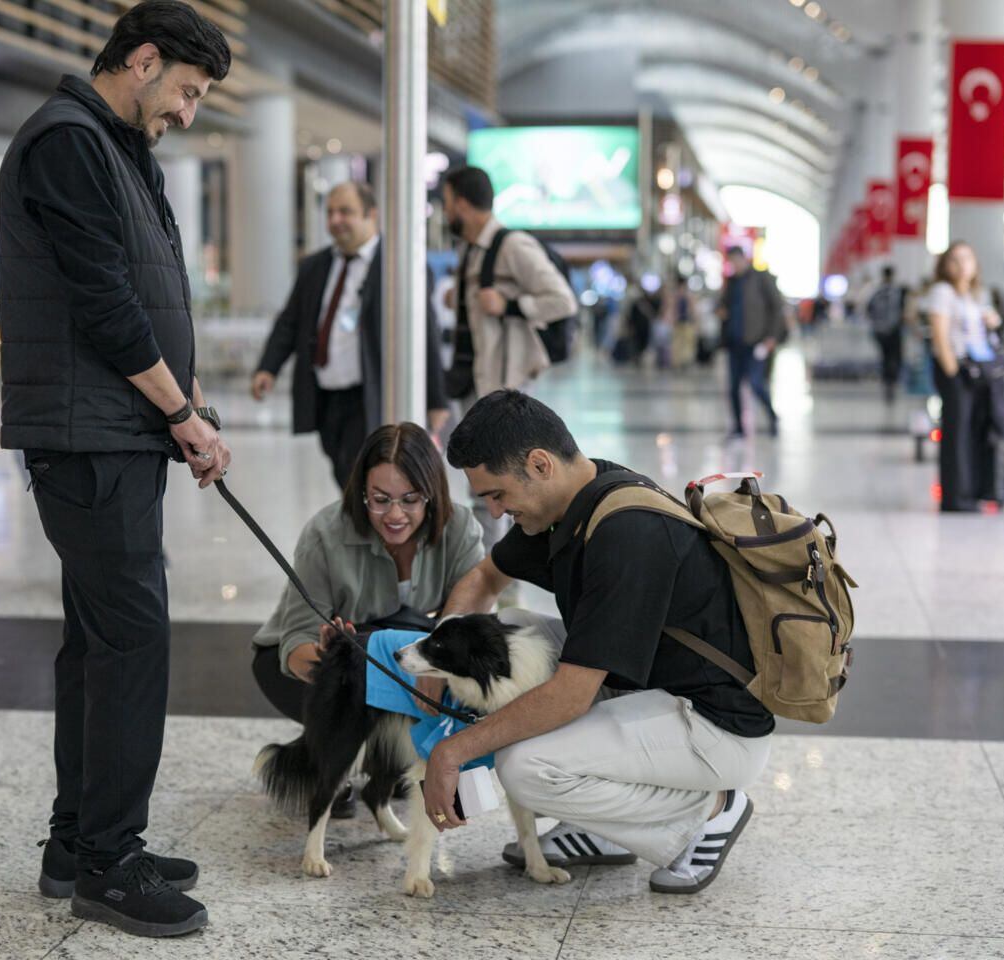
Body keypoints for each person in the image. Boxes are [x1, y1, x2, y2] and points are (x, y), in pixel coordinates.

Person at [0, 1, 231, 938]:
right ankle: (110, 862)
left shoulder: (114, 146)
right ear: (139, 61)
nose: (188, 111)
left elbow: (152, 290)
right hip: (89, 434)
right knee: (132, 642)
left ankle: (77, 841)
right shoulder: (68, 142)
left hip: (116, 430)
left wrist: (190, 406)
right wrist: (177, 410)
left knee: (100, 642)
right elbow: (104, 301)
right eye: (185, 89)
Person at [419, 391, 772, 894]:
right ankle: (604, 825)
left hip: (716, 727)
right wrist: (438, 662)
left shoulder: (626, 532)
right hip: (653, 689)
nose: (495, 512)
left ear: (539, 464)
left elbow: (571, 694)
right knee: (511, 629)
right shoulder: (569, 501)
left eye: (496, 495)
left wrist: (451, 752)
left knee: (523, 766)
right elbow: (485, 578)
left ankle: (708, 812)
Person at [252, 422, 485, 813]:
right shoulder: (325, 534)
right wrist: (327, 660)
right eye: (380, 499)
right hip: (315, 668)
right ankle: (338, 762)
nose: (395, 515)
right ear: (362, 493)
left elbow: (477, 622)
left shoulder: (460, 529)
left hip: (404, 656)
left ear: (432, 494)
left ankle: (378, 761)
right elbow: (293, 640)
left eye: (410, 499)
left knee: (438, 684)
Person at [252, 182, 450, 489]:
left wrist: (436, 399)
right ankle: (361, 530)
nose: (335, 220)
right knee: (345, 474)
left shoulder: (398, 265)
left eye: (346, 212)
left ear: (372, 215)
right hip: (326, 396)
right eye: (330, 212)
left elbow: (426, 333)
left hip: (371, 396)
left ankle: (368, 533)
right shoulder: (315, 266)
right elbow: (290, 321)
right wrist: (268, 367)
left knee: (366, 479)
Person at [441, 165, 577, 546]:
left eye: (448, 202)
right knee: (479, 480)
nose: (446, 210)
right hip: (471, 379)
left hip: (501, 384)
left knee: (500, 484)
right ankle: (488, 565)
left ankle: (497, 570)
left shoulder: (512, 245)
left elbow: (562, 300)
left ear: (463, 204)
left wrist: (511, 304)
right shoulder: (470, 248)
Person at [925, 242, 1004, 512]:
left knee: (974, 430)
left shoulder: (974, 295)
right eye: (956, 260)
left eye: (968, 259)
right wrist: (951, 371)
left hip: (978, 370)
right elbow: (939, 334)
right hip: (957, 370)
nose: (962, 265)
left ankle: (973, 490)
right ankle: (956, 496)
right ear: (945, 265)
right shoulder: (942, 292)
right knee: (956, 433)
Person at [718, 247, 785, 438]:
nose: (735, 265)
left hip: (756, 342)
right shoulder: (731, 282)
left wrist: (772, 336)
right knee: (733, 387)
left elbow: (776, 308)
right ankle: (738, 427)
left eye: (736, 260)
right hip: (734, 342)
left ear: (744, 259)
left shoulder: (761, 279)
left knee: (756, 384)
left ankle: (772, 416)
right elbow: (723, 306)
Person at [866, 266, 906, 404]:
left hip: (880, 332)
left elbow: (869, 310)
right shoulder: (898, 291)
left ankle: (887, 380)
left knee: (885, 357)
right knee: (895, 357)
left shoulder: (877, 292)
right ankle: (892, 381)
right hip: (894, 330)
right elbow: (903, 311)